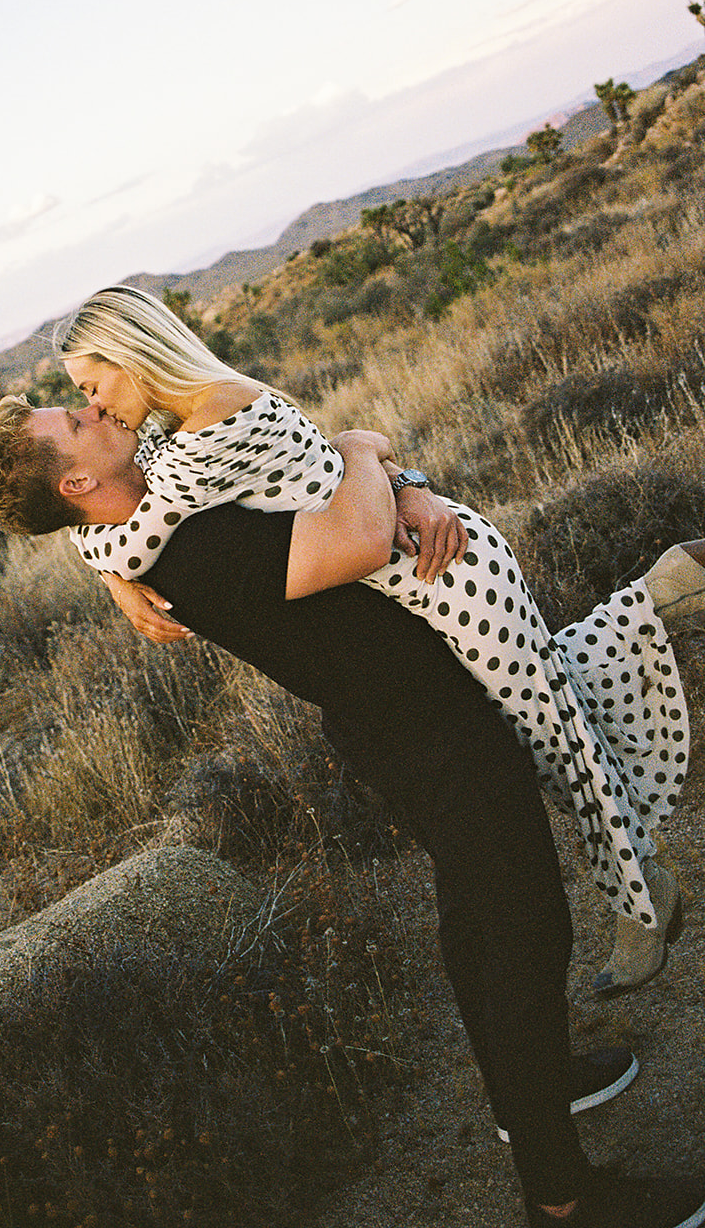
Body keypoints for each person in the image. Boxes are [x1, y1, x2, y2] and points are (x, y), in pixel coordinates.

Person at [0, 395, 705, 1228]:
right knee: (526, 933)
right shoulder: (193, 554)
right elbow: (352, 532)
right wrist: (359, 444)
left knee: (475, 914)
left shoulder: (151, 510)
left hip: (407, 716)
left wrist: (409, 484)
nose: (93, 404)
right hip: (426, 731)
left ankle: (520, 1094)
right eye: (73, 418)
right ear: (75, 478)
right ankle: (564, 1199)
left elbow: (247, 482)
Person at [51, 285, 697, 998]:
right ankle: (661, 595)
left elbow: (133, 537)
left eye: (93, 384)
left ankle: (644, 902)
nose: (96, 407)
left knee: (553, 733)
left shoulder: (202, 437)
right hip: (429, 562)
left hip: (441, 569)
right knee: (547, 700)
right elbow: (329, 459)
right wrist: (391, 469)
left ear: (135, 353)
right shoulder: (204, 407)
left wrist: (109, 574)